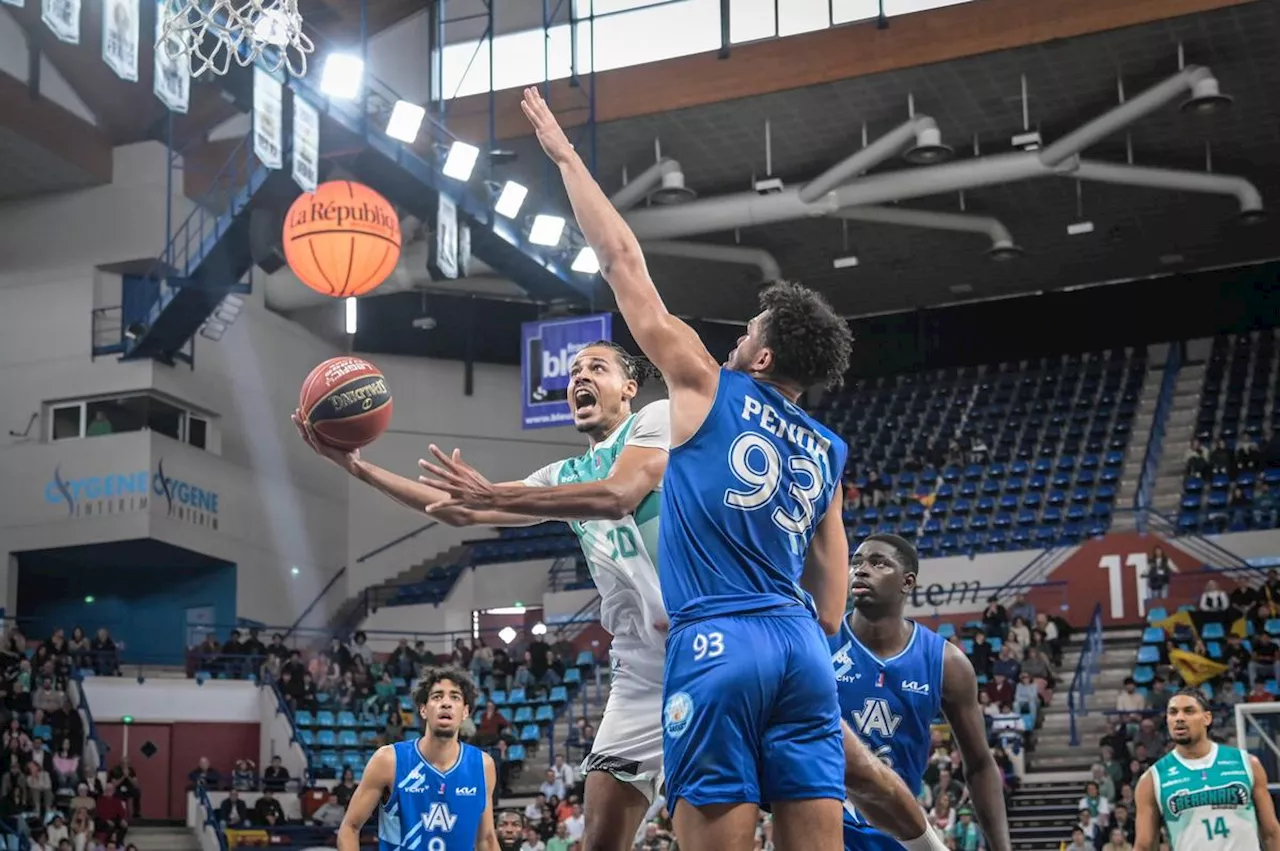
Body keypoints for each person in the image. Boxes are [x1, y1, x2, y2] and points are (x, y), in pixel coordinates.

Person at [521, 86, 943, 851]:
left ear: (765, 354)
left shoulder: (709, 387)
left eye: (748, 330)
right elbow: (829, 592)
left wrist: (566, 157)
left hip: (718, 637)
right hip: (799, 650)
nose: (735, 338)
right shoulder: (826, 447)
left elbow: (622, 261)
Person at [297, 342, 673, 851]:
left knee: (719, 812)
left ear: (629, 388)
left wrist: (498, 495)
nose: (580, 376)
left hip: (699, 641)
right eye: (575, 370)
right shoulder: (561, 477)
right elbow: (457, 511)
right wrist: (357, 468)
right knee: (601, 838)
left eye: (597, 368)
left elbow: (619, 494)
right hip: (637, 668)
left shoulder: (655, 422)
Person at [833, 534, 1012, 851]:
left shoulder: (947, 663)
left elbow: (980, 763)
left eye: (878, 563)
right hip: (824, 822)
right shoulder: (820, 641)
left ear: (907, 582)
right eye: (856, 562)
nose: (860, 570)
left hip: (897, 832)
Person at [337, 667, 499, 851]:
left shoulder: (483, 765)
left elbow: (486, 840)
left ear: (465, 712)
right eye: (437, 696)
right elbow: (349, 828)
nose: (446, 703)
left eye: (455, 697)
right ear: (423, 710)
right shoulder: (389, 761)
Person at [1134, 688, 1280, 850]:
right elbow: (1143, 846)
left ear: (1207, 718)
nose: (1179, 718)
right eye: (1173, 713)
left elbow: (1271, 833)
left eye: (1189, 711)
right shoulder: (1153, 778)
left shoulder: (1247, 764)